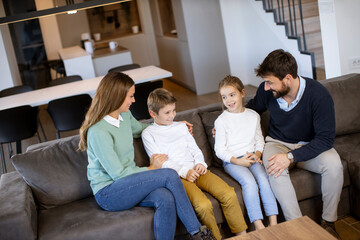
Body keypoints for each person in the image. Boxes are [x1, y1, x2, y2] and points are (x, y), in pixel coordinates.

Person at [78, 71, 214, 240]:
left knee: (165, 197)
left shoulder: (124, 116)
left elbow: (144, 130)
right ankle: (198, 233)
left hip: (131, 184)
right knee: (169, 175)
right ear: (116, 97)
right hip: (109, 192)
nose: (134, 100)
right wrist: (151, 168)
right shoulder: (98, 132)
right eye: (131, 96)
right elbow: (118, 174)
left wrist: (172, 125)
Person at [246, 49, 343, 238]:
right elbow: (250, 110)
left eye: (270, 82)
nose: (266, 87)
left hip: (310, 145)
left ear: (288, 78)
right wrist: (225, 122)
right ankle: (299, 228)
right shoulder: (267, 92)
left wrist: (291, 157)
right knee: (274, 167)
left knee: (334, 165)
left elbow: (325, 139)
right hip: (277, 143)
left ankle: (328, 222)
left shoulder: (319, 95)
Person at [141, 88, 248, 240]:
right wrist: (185, 172)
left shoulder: (180, 127)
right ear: (153, 114)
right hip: (178, 177)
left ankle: (242, 235)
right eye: (167, 113)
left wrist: (200, 163)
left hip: (197, 169)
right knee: (203, 205)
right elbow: (161, 163)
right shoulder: (149, 134)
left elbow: (195, 149)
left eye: (174, 110)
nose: (172, 115)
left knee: (229, 193)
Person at [214, 75, 278, 230]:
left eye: (232, 95)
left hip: (251, 157)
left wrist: (257, 154)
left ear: (242, 93)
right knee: (249, 183)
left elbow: (259, 140)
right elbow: (220, 150)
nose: (228, 100)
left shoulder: (253, 116)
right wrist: (238, 161)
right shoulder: (221, 121)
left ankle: (274, 221)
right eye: (224, 97)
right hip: (233, 161)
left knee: (264, 178)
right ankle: (258, 224)